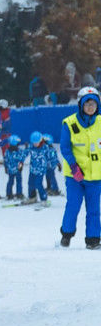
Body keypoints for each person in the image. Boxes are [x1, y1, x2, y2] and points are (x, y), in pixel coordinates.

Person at [59, 87, 101, 248]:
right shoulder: (69, 123)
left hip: (96, 177)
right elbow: (65, 148)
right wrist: (74, 167)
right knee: (73, 206)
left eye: (94, 104)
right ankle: (66, 235)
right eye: (87, 104)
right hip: (75, 176)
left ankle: (93, 239)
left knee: (94, 210)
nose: (91, 107)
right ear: (81, 105)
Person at [3, 134, 25, 200]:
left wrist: (6, 167)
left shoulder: (7, 151)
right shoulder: (19, 151)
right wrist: (21, 165)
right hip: (18, 169)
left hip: (10, 170)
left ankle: (9, 194)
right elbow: (22, 158)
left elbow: (5, 160)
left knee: (10, 181)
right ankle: (19, 193)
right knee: (19, 181)